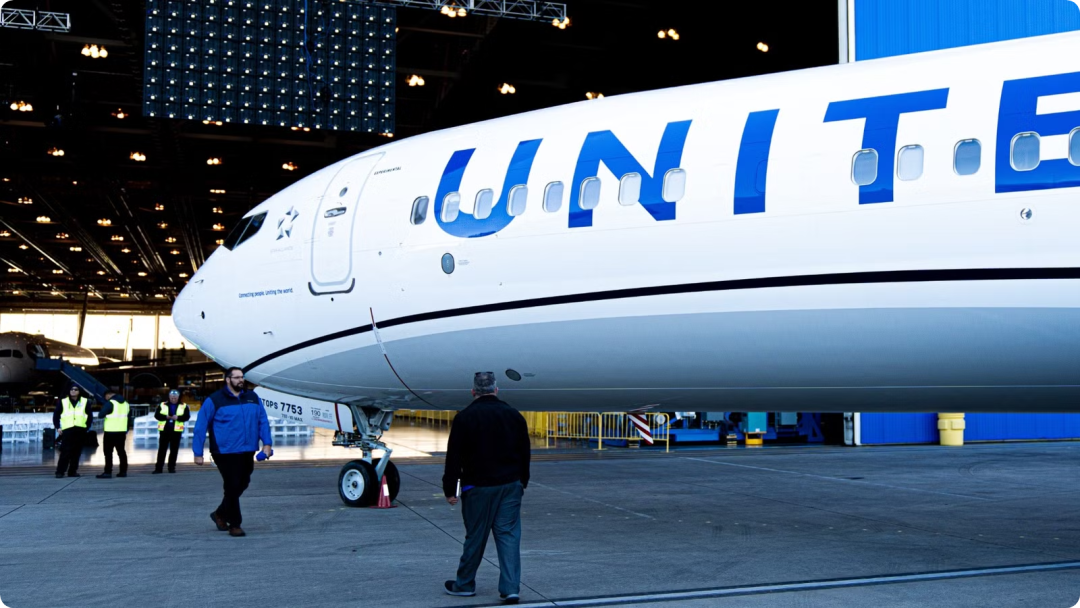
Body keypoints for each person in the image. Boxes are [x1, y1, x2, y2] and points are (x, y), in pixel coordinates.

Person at [443, 372, 531, 605]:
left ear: (473, 392)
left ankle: (464, 584)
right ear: (496, 390)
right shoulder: (514, 415)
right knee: (508, 535)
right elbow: (525, 452)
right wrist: (522, 481)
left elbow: (454, 457)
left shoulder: (464, 417)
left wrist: (450, 489)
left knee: (476, 536)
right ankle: (511, 588)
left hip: (477, 487)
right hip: (510, 485)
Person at [192, 367, 272, 537]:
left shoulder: (252, 397)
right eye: (236, 377)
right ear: (228, 380)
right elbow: (201, 425)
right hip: (224, 451)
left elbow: (262, 420)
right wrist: (197, 452)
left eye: (242, 377)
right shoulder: (214, 400)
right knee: (232, 484)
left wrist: (267, 443)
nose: (241, 380)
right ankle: (235, 524)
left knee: (243, 483)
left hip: (247, 449)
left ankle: (220, 513)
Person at [53, 384, 92, 479]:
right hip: (68, 430)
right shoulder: (63, 402)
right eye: (71, 389)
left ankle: (72, 471)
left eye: (75, 389)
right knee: (65, 452)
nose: (73, 391)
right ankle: (60, 472)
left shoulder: (85, 402)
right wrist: (58, 427)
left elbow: (89, 416)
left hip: (80, 429)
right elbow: (56, 415)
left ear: (79, 391)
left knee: (76, 452)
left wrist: (86, 428)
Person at [153, 389, 190, 474]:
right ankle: (158, 468)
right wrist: (165, 417)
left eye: (175, 397)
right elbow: (157, 415)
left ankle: (171, 468)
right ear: (169, 397)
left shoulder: (184, 406)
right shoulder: (162, 405)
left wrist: (178, 418)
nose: (173, 399)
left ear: (178, 397)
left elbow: (187, 416)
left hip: (176, 431)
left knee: (174, 450)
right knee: (162, 450)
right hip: (164, 430)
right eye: (172, 397)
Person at [96, 390, 130, 479]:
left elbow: (101, 415)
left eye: (105, 397)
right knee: (121, 452)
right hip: (121, 431)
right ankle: (123, 472)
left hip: (110, 432)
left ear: (108, 395)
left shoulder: (110, 403)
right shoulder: (125, 404)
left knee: (108, 452)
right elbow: (128, 417)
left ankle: (108, 472)